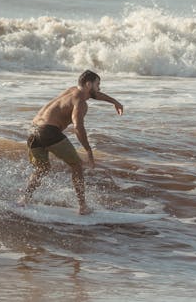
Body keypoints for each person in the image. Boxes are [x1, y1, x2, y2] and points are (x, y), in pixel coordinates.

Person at [18, 70, 123, 215]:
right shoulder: (80, 103)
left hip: (32, 131)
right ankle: (83, 207)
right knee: (77, 165)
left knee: (42, 169)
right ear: (88, 84)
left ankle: (24, 200)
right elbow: (78, 127)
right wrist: (88, 151)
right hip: (49, 131)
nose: (99, 88)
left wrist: (115, 102)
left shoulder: (71, 91)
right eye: (98, 84)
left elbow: (95, 94)